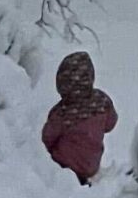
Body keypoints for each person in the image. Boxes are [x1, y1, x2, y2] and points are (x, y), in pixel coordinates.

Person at [41, 50, 117, 185]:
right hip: (92, 164)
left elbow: (47, 139)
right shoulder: (101, 101)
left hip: (64, 165)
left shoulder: (63, 112)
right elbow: (110, 123)